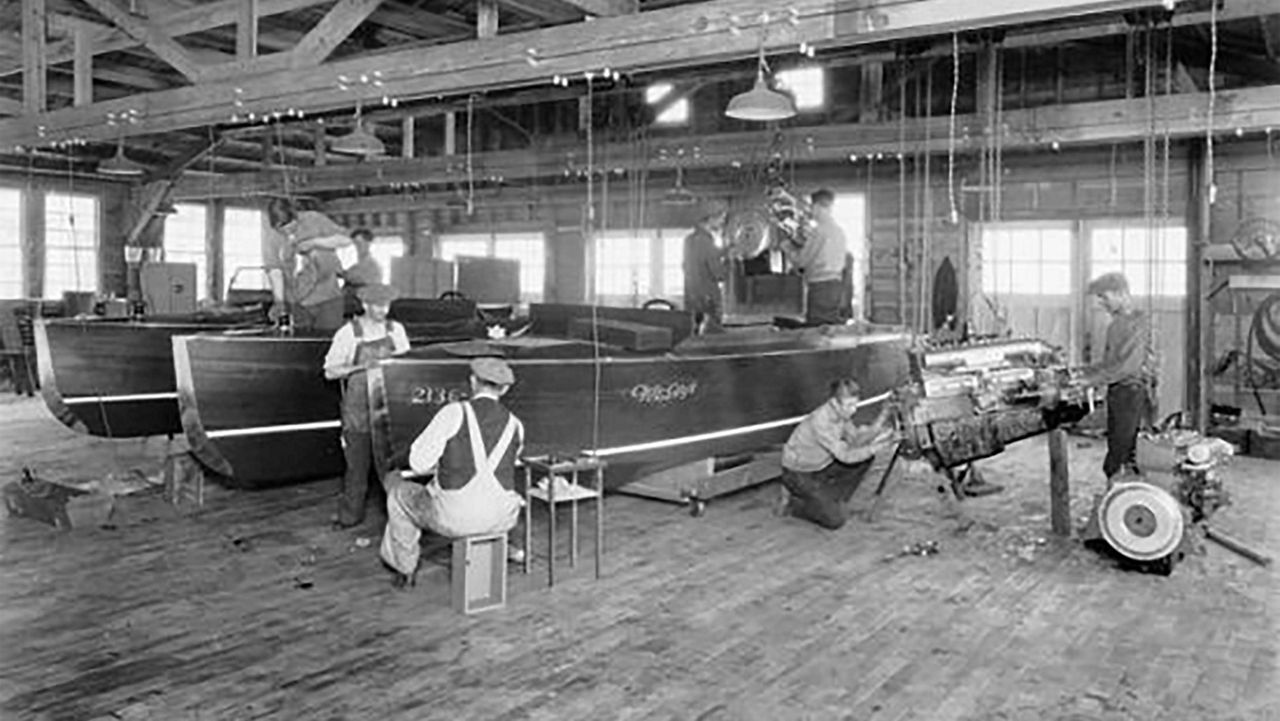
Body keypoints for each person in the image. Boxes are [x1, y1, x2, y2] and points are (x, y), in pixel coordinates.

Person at [380, 357, 527, 589]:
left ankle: (405, 569)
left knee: (398, 494)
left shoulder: (453, 413)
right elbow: (509, 462)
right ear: (505, 389)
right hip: (502, 518)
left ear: (472, 382)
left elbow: (418, 463)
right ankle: (513, 550)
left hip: (455, 517)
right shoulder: (516, 424)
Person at [323, 283, 410, 530]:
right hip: (358, 410)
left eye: (387, 305)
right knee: (357, 467)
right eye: (378, 305)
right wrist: (364, 367)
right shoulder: (349, 333)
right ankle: (350, 516)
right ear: (365, 305)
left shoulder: (396, 330)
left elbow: (406, 365)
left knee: (392, 469)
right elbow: (330, 371)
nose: (384, 310)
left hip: (390, 409)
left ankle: (399, 518)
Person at [780, 377, 899, 530]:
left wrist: (883, 414)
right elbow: (845, 456)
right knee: (836, 521)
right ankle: (793, 504)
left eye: (855, 404)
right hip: (798, 473)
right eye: (849, 405)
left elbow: (857, 441)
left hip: (821, 465)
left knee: (864, 459)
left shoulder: (842, 415)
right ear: (834, 402)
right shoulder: (821, 421)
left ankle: (832, 500)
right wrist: (878, 446)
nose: (854, 409)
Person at [1084, 272, 1158, 483]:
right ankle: (1117, 498)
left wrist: (1091, 380)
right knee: (1116, 445)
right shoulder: (1115, 325)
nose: (1102, 303)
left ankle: (1122, 501)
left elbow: (1128, 366)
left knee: (1123, 453)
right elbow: (1109, 363)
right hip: (1117, 392)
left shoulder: (1141, 323)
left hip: (1133, 393)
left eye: (1104, 297)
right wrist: (1082, 373)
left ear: (1121, 294)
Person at [265, 198, 351, 329]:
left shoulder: (314, 219)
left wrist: (314, 242)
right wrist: (279, 302)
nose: (288, 233)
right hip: (296, 303)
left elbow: (345, 239)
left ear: (296, 216)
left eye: (291, 227)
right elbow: (274, 270)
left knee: (326, 343)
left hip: (327, 298)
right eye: (282, 230)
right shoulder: (272, 237)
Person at [786, 189, 848, 326]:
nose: (811, 211)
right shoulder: (839, 231)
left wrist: (788, 249)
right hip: (835, 285)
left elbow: (801, 262)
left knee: (816, 329)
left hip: (820, 286)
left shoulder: (819, 231)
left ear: (817, 207)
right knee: (828, 327)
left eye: (811, 207)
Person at [683, 199, 729, 334]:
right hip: (708, 299)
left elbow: (693, 263)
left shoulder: (689, 240)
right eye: (721, 218)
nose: (722, 222)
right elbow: (718, 273)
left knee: (694, 333)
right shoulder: (706, 241)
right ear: (711, 218)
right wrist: (729, 264)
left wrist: (724, 251)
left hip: (692, 296)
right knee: (711, 337)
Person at [341, 228, 383, 318]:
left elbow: (356, 279)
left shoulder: (373, 266)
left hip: (363, 312)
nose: (357, 247)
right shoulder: (356, 266)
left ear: (368, 244)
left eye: (360, 243)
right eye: (355, 243)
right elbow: (347, 275)